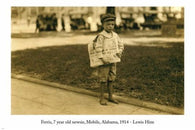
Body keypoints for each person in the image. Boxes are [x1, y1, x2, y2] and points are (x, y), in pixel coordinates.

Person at [93, 13, 124, 105]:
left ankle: (111, 96)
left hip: (113, 60)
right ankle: (102, 97)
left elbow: (120, 45)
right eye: (108, 24)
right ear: (103, 25)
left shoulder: (115, 35)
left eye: (112, 24)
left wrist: (120, 51)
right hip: (104, 61)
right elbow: (98, 47)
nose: (110, 26)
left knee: (111, 78)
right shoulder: (101, 36)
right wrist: (101, 57)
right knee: (103, 79)